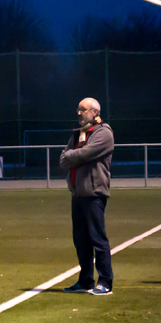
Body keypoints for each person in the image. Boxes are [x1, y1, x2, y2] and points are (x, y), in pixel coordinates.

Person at [60, 97, 114, 296]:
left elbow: (85, 154)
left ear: (95, 112)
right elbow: (63, 160)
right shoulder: (78, 135)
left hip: (94, 194)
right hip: (78, 194)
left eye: (83, 110)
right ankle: (85, 281)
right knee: (81, 240)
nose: (79, 113)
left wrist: (74, 155)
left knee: (97, 239)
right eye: (78, 109)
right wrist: (75, 155)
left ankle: (106, 281)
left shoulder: (104, 132)